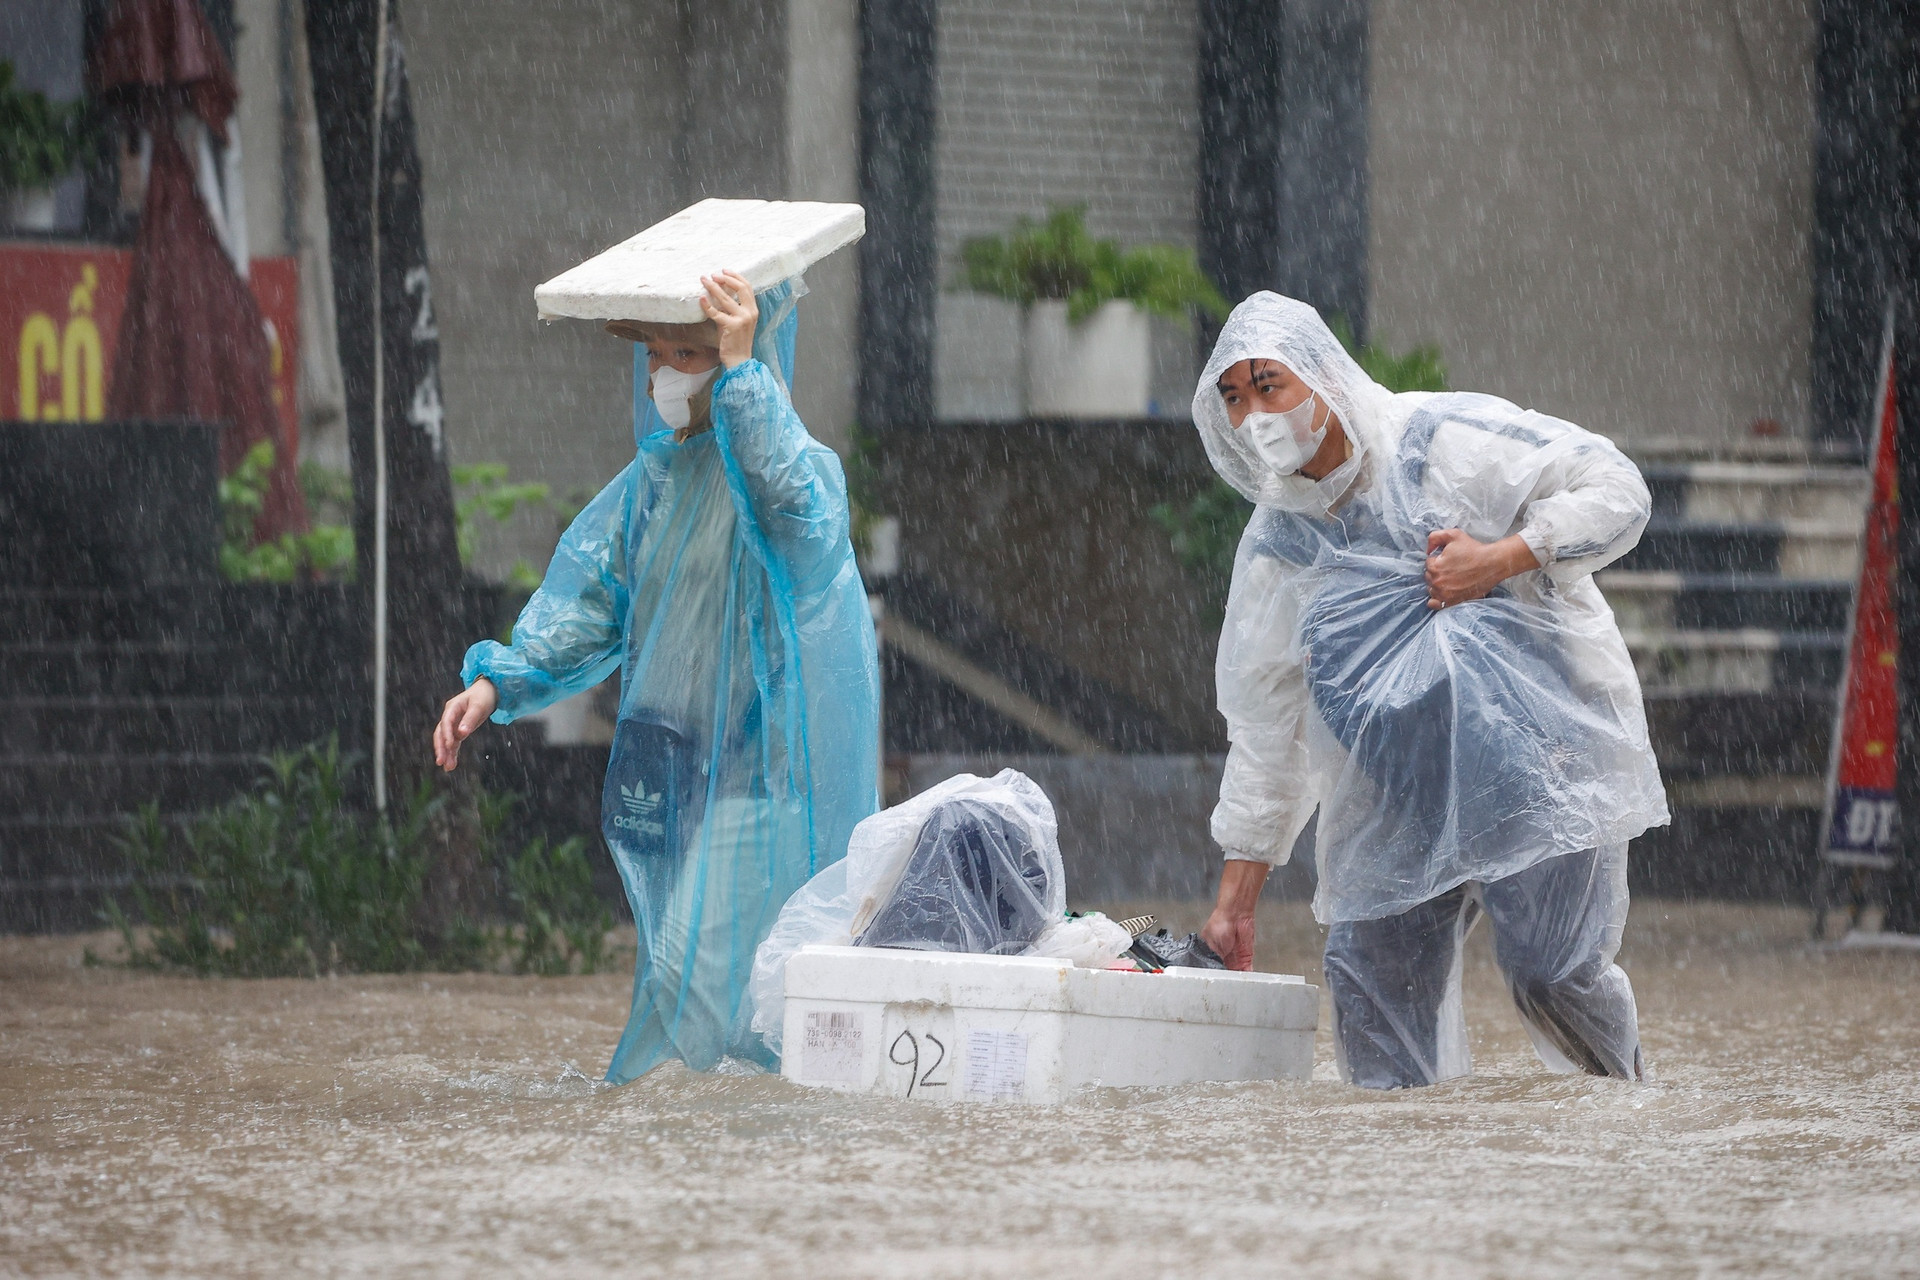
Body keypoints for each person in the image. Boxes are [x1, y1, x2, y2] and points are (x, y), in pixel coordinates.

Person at [1191, 292, 1669, 1089]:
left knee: (1554, 975)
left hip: (1538, 757)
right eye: (1235, 399)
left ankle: (1625, 1116)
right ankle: (1409, 1163)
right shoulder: (1279, 543)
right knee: (1369, 984)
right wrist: (1235, 906)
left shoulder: (1442, 440)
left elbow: (1617, 488)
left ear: (1324, 375)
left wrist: (1503, 556)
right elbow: (1268, 731)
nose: (1256, 417)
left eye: (1269, 385)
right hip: (1398, 786)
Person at [433, 270, 879, 1081]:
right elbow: (590, 600)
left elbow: (792, 515)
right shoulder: (654, 483)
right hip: (677, 772)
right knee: (720, 1002)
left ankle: (681, 1132)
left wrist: (743, 377)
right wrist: (499, 681)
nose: (663, 375)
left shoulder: (793, 469)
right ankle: (727, 1137)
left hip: (765, 780)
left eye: (688, 354)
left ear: (746, 354)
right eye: (654, 354)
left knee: (694, 987)